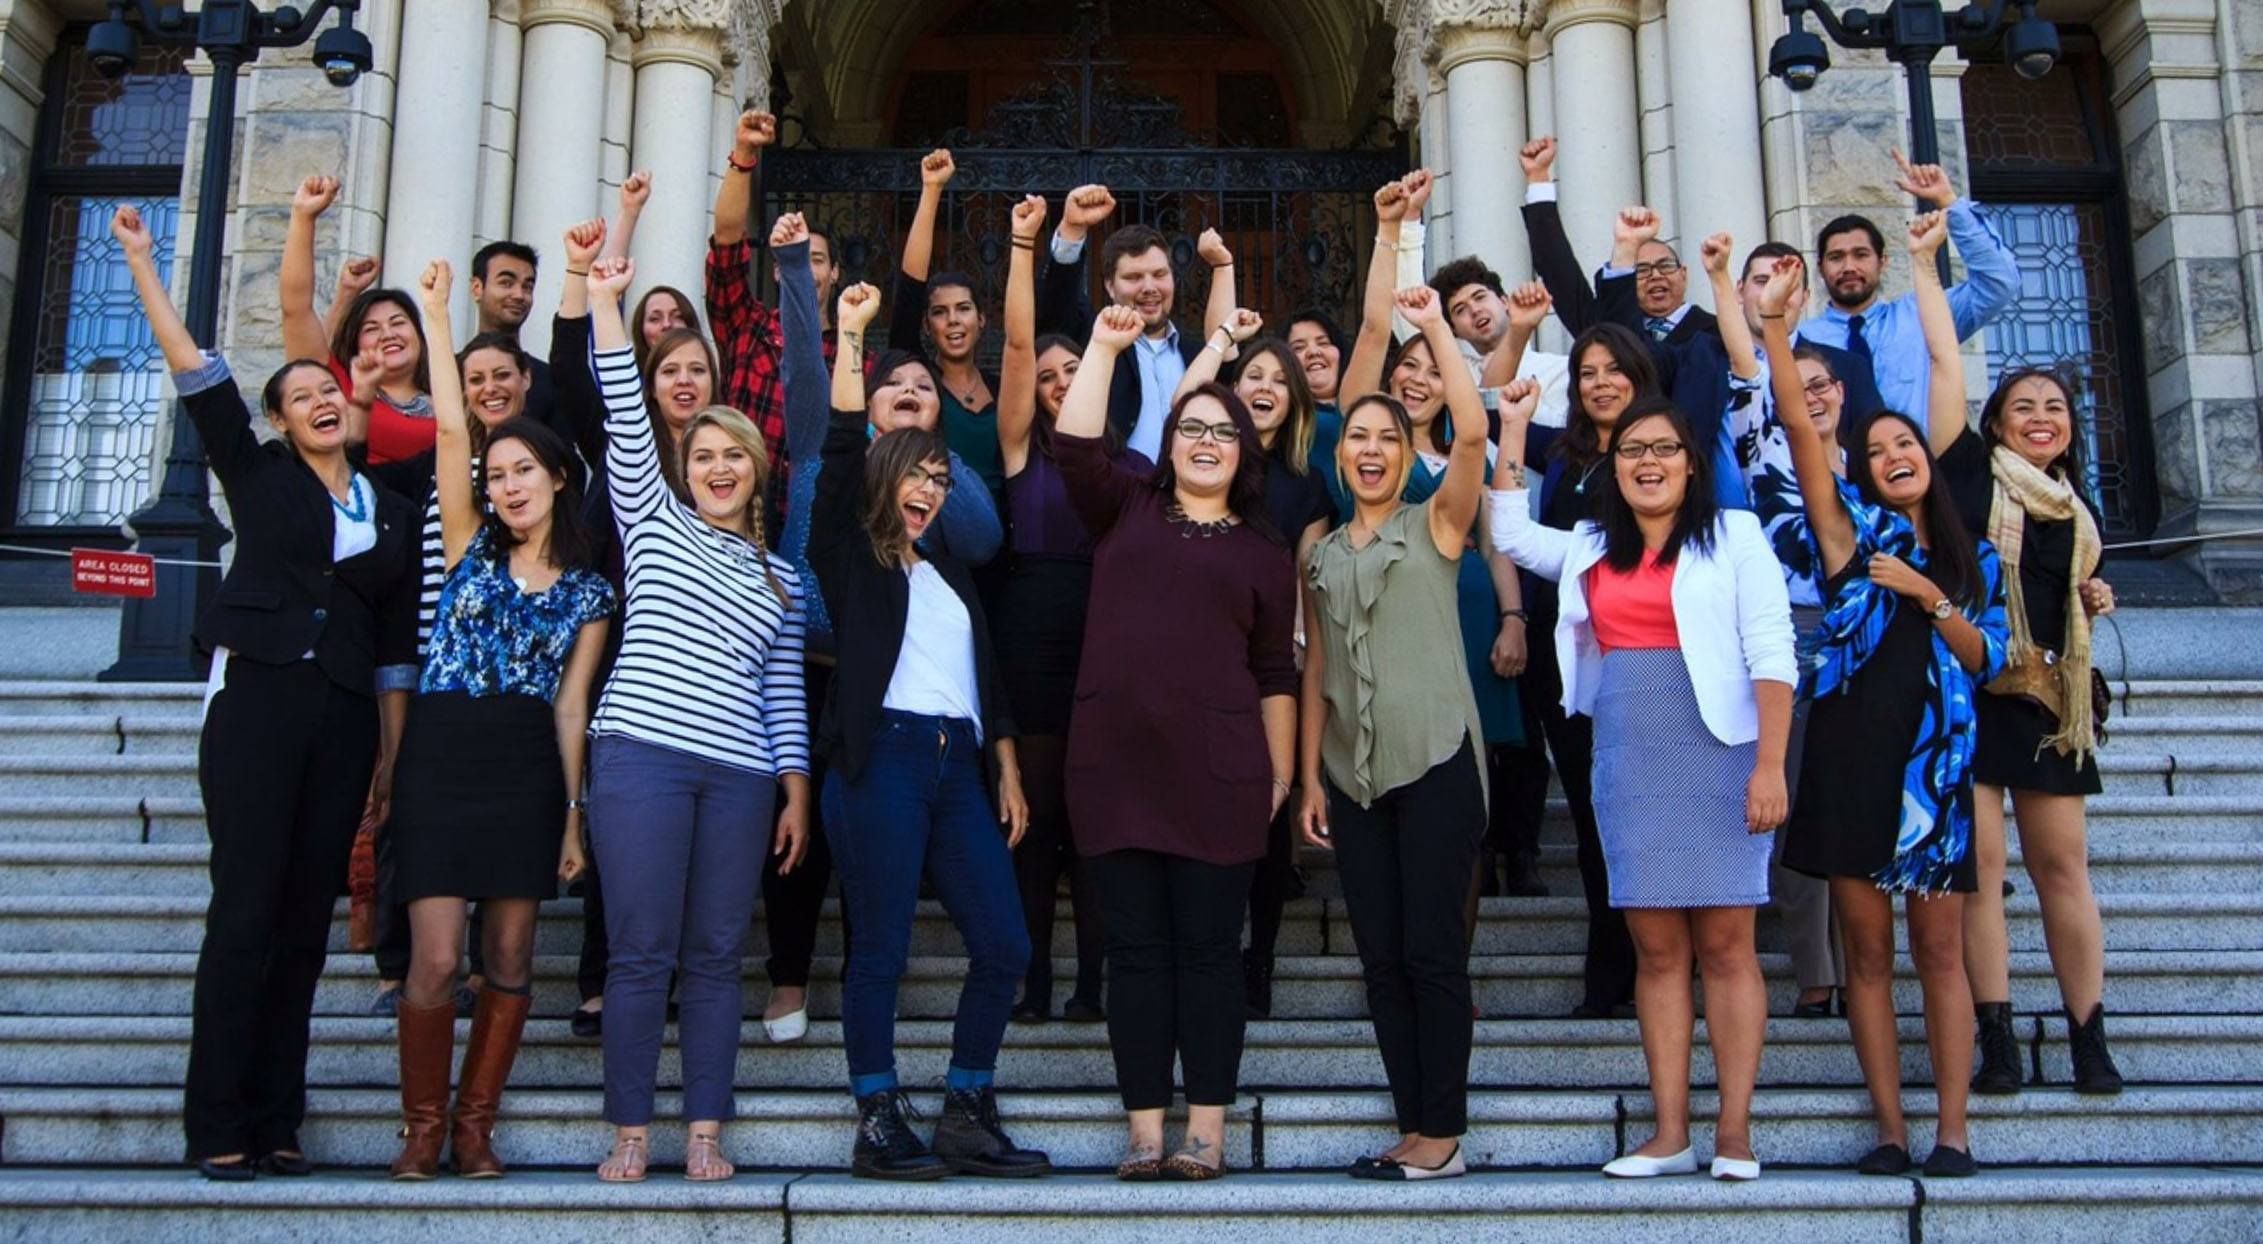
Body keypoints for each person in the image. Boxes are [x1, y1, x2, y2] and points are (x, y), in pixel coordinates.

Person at [116, 203, 420, 1181]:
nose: (318, 398)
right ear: (283, 420)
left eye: (327, 389)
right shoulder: (258, 476)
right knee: (246, 908)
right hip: (257, 702)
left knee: (302, 922)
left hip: (341, 718)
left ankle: (278, 1115)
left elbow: (386, 642)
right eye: (298, 394)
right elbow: (194, 369)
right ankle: (218, 1121)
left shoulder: (390, 508)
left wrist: (384, 749)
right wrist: (138, 259)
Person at [1491, 387, 1795, 1182]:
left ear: (1692, 464)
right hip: (1627, 750)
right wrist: (1513, 427)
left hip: (1721, 749)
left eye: (1662, 449)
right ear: (1612, 468)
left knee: (1726, 947)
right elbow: (1509, 532)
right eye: (1631, 451)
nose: (1647, 463)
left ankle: (1733, 1132)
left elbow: (1771, 652)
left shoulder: (1734, 535)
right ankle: (1669, 1133)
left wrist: (1769, 764)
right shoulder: (1593, 543)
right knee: (1656, 953)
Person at [1759, 249, 2009, 1180]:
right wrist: (1777, 331)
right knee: (1865, 955)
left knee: (1937, 953)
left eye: (1904, 447)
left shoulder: (1967, 555)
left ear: (1926, 462)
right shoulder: (1846, 533)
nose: (1893, 458)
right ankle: (1890, 1129)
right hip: (1848, 760)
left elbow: (1989, 659)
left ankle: (1951, 1131)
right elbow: (1794, 423)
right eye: (1877, 453)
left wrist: (1928, 596)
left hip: (1933, 770)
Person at [581, 254, 812, 1184]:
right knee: (642, 954)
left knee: (717, 956)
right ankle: (631, 1130)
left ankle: (705, 1131)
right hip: (642, 756)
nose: (717, 467)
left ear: (757, 473)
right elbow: (624, 417)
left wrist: (794, 790)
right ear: (685, 465)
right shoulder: (652, 521)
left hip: (743, 775)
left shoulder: (781, 577)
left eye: (734, 457)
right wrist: (602, 296)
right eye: (703, 454)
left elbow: (784, 694)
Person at [812, 280, 1048, 1182]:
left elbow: (982, 678)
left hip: (958, 766)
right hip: (883, 761)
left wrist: (1007, 766)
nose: (928, 490)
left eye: (939, 479)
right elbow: (838, 447)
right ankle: (876, 1115)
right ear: (883, 478)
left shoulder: (948, 568)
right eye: (914, 475)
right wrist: (847, 333)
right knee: (879, 946)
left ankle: (964, 1106)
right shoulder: (853, 552)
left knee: (1006, 945)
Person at [383, 260, 614, 1180]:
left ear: (559, 479)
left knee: (512, 952)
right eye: (498, 473)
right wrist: (437, 321)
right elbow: (447, 428)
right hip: (443, 749)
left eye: (525, 471)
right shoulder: (469, 544)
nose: (509, 485)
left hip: (527, 762)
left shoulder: (591, 590)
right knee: (437, 959)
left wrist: (570, 816)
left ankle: (475, 1126)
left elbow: (571, 707)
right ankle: (421, 1127)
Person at [1058, 305, 1300, 1182]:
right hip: (1114, 770)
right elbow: (1075, 447)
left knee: (1207, 955)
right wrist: (1105, 346)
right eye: (1190, 427)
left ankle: (1206, 1131)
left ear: (1244, 453)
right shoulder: (1126, 505)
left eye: (1222, 432)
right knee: (1136, 955)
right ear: (1168, 444)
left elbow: (1276, 671)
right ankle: (1144, 1130)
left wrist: (1278, 775)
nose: (1205, 441)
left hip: (1221, 775)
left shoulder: (1266, 553)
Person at [1714, 222, 1968, 1019]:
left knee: (1862, 797)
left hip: (1890, 662)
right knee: (1796, 797)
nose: (1814, 394)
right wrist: (1753, 307)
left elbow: (1945, 385)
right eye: (1803, 383)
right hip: (1788, 628)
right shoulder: (1766, 441)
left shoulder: (1885, 474)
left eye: (1827, 386)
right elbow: (1768, 387)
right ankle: (1816, 970)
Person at [1296, 293, 1499, 1184]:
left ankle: (1441, 1133)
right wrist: (1307, 778)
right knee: (1381, 960)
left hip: (1438, 759)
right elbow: (1315, 674)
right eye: (1355, 440)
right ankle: (1411, 1125)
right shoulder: (1319, 550)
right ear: (1338, 457)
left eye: (1383, 437)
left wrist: (1443, 338)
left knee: (1430, 951)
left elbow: (1467, 436)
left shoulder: (1438, 525)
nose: (1370, 451)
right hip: (1352, 773)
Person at [1948, 367, 2125, 1096]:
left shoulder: (2076, 509)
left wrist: (2095, 594)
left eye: (2054, 407)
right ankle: (1997, 1041)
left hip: (2052, 700)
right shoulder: (1971, 483)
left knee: (2061, 871)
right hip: (1983, 690)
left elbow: (2068, 594)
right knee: (1981, 876)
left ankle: (2088, 1036)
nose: (2040, 417)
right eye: (2022, 407)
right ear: (1995, 423)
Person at [1174, 251, 1335, 1019]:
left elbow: (1308, 579)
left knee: (1269, 824)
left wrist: (1304, 659)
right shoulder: (1203, 464)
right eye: (1251, 378)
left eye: (1277, 378)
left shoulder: (1306, 483)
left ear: (1293, 396)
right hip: (1200, 657)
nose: (1264, 387)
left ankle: (1258, 958)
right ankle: (1201, 948)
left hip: (1274, 662)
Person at [1482, 304, 1653, 1018]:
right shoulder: (1562, 451)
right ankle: (1608, 978)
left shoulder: (1667, 448)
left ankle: (1661, 968)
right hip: (1567, 654)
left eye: (1614, 370)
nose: (1601, 383)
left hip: (1647, 654)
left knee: (1642, 815)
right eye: (1586, 373)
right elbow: (1497, 409)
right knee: (1589, 814)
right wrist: (1518, 337)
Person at [993, 195, 1127, 1026]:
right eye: (1046, 378)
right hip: (1028, 643)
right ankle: (1033, 979)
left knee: (1095, 828)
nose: (1056, 383)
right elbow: (1014, 343)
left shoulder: (1124, 460)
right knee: (1034, 827)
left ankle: (1091, 983)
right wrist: (1023, 245)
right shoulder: (1016, 451)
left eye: (1071, 371)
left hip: (1104, 643)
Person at [1797, 150, 2018, 420]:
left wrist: (1948, 202)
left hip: (1919, 459)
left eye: (1861, 254)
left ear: (1883, 261)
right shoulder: (1801, 340)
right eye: (1836, 257)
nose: (1849, 267)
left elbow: (1998, 285)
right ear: (1820, 268)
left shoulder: (1923, 316)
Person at [709, 109, 843, 484]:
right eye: (793, 260)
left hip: (811, 524)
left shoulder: (856, 357)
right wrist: (743, 154)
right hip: (739, 509)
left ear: (834, 273)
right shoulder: (746, 329)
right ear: (776, 270)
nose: (805, 271)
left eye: (814, 260)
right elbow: (726, 247)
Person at [1036, 184, 1206, 459]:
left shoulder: (1200, 354)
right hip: (1119, 496)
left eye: (1159, 274)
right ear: (1110, 287)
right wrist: (1072, 230)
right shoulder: (1092, 345)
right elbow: (1057, 304)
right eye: (1134, 277)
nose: (1149, 287)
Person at [281, 175, 434, 465]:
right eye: (371, 329)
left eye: (398, 322)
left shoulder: (456, 395)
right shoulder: (336, 389)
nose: (388, 333)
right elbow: (296, 308)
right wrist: (304, 218)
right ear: (355, 344)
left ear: (419, 333)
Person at [893, 148, 1007, 499]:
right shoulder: (919, 380)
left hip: (1003, 539)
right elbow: (911, 289)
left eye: (963, 309)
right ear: (927, 325)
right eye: (940, 312)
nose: (953, 320)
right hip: (933, 525)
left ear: (982, 319)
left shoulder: (1004, 387)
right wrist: (931, 191)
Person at [467, 240, 558, 424]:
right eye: (506, 283)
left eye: (527, 287)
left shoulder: (549, 380)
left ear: (525, 379)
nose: (519, 295)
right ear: (477, 288)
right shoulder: (447, 372)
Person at [1286, 308, 1350, 474]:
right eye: (1298, 348)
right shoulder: (1286, 419)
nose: (1314, 352)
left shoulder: (1368, 406)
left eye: (1323, 343)